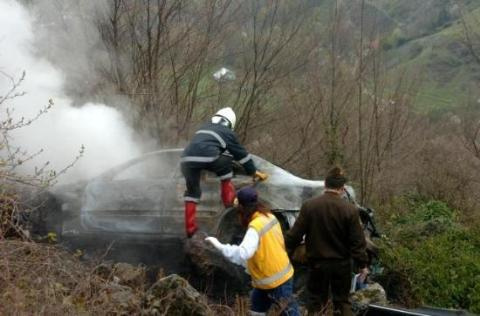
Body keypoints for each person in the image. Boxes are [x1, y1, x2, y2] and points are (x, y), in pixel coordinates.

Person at [285, 167, 369, 316]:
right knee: (342, 302)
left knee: (315, 303)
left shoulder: (309, 206)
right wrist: (363, 265)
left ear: (325, 185)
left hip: (317, 264)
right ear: (342, 188)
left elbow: (295, 235)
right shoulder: (350, 210)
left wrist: (285, 251)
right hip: (342, 265)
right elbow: (357, 242)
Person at [205, 186, 299, 316]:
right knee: (256, 310)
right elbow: (265, 249)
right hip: (270, 279)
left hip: (276, 281)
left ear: (243, 208)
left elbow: (242, 254)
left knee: (289, 313)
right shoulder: (269, 217)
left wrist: (220, 246)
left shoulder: (255, 227)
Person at [181, 107, 268, 238]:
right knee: (226, 160)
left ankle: (190, 229)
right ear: (230, 123)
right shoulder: (227, 132)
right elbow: (241, 155)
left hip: (186, 160)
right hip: (208, 157)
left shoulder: (203, 127)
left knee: (192, 193)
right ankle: (228, 200)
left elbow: (198, 149)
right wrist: (253, 171)